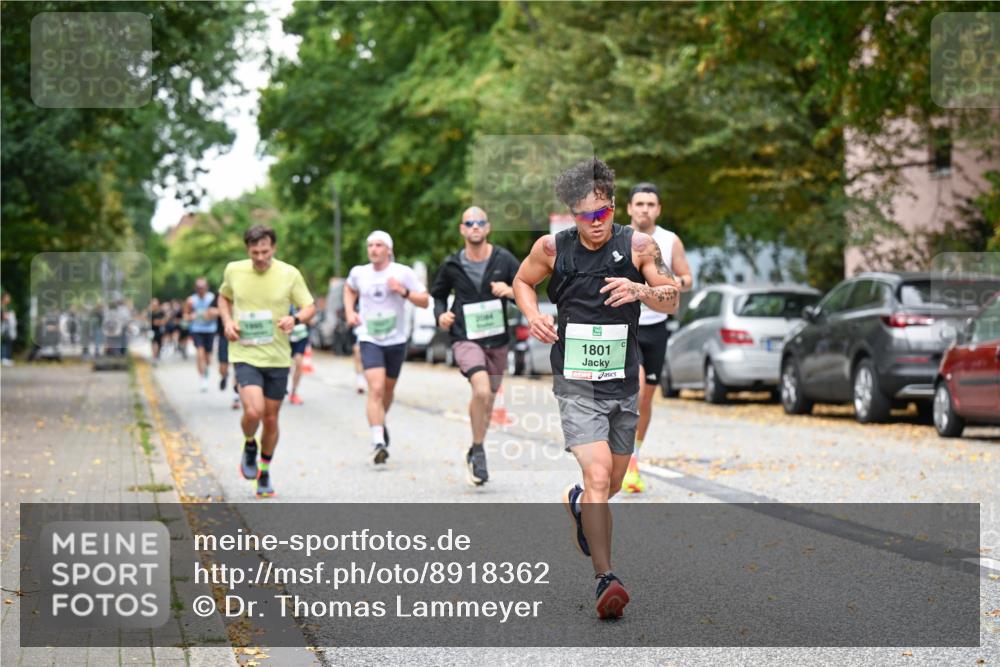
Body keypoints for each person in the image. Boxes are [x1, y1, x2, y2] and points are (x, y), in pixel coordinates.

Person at [512, 157, 680, 619]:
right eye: (585, 215)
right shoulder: (552, 248)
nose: (596, 222)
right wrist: (533, 315)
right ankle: (606, 577)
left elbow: (672, 298)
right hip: (575, 379)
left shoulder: (639, 244)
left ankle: (580, 504)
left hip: (624, 376)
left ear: (611, 205)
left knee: (615, 481)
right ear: (571, 214)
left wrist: (641, 290)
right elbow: (522, 282)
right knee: (600, 475)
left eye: (603, 212)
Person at [219, 224, 315, 498]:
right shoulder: (234, 270)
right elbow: (224, 297)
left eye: (265, 251)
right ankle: (250, 442)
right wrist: (227, 322)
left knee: (271, 419)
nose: (260, 258)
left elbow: (310, 306)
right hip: (245, 353)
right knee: (253, 412)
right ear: (247, 250)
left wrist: (294, 319)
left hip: (277, 356)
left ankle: (264, 471)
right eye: (254, 252)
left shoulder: (289, 274)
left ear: (273, 248)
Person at [430, 206, 520, 486]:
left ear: (488, 227)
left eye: (480, 222)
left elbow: (526, 286)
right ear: (462, 229)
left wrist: (511, 291)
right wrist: (440, 315)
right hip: (465, 336)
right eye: (470, 223)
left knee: (489, 398)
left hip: (497, 339)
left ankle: (476, 446)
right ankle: (479, 452)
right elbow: (439, 295)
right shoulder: (452, 264)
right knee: (480, 389)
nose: (475, 227)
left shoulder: (504, 259)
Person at [623, 182, 693, 493]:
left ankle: (634, 456)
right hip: (626, 326)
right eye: (639, 204)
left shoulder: (669, 240)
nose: (645, 209)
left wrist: (672, 284)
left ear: (658, 209)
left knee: (647, 398)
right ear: (629, 208)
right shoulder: (619, 237)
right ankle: (627, 463)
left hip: (656, 327)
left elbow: (687, 278)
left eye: (651, 204)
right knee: (635, 391)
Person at [343, 231, 428, 464]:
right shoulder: (359, 273)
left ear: (388, 249)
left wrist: (403, 291)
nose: (373, 249)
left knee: (388, 391)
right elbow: (349, 289)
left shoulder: (402, 273)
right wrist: (350, 312)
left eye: (379, 245)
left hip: (396, 339)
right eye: (370, 245)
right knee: (376, 388)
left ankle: (380, 422)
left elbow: (425, 300)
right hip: (369, 337)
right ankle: (378, 440)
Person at [185, 278, 218, 392]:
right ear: (195, 289)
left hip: (210, 330)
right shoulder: (191, 300)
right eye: (198, 288)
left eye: (203, 288)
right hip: (196, 329)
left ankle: (206, 370)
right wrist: (191, 317)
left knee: (208, 357)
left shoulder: (212, 298)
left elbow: (218, 312)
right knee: (200, 353)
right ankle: (202, 378)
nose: (201, 290)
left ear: (206, 287)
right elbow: (185, 316)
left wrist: (210, 314)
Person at [212, 292, 240, 410]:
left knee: (238, 367)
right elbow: (209, 312)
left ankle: (235, 397)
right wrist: (225, 313)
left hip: (240, 336)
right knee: (223, 366)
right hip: (224, 336)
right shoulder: (221, 295)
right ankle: (224, 376)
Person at [287, 305, 311, 405]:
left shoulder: (302, 297)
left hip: (301, 336)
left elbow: (311, 315)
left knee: (299, 363)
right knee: (284, 367)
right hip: (285, 337)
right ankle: (280, 387)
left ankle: (294, 392)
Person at [149, 298, 166, 364]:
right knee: (153, 343)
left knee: (159, 343)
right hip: (152, 331)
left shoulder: (161, 312)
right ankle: (154, 357)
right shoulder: (150, 312)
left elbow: (164, 321)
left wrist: (160, 322)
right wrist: (160, 321)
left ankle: (157, 355)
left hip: (159, 330)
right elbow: (154, 322)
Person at [1, 292, 16, 366]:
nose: (9, 299)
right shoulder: (1, 306)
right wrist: (7, 316)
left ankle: (6, 358)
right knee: (4, 342)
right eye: (8, 297)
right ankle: (3, 358)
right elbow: (3, 316)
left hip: (6, 327)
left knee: (8, 342)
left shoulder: (5, 306)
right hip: (3, 328)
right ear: (4, 298)